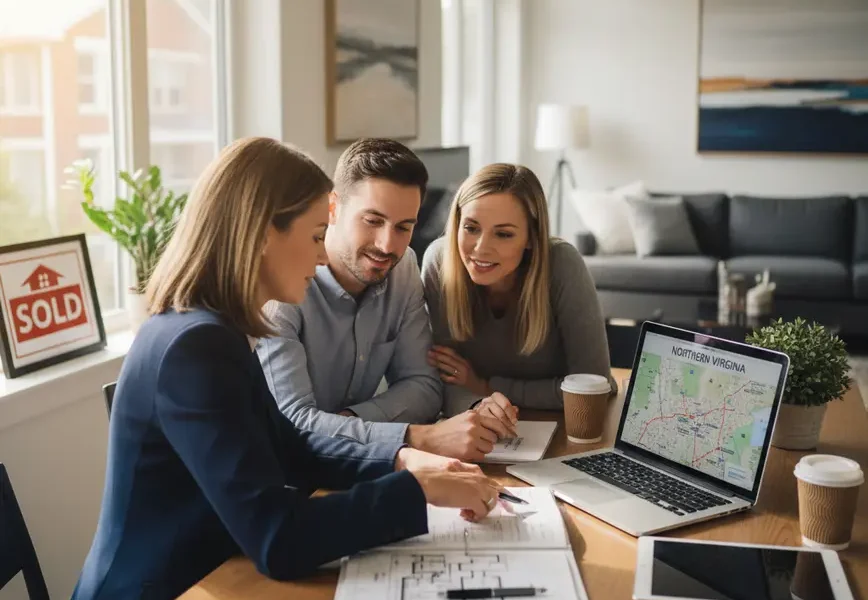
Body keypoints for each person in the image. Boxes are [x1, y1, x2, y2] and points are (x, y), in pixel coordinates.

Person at [72, 137, 503, 600]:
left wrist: (399, 458)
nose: (322, 256)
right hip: (170, 587)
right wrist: (414, 490)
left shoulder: (211, 329)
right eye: (317, 235)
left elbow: (290, 446)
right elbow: (278, 538)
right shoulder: (195, 347)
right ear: (261, 234)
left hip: (215, 572)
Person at [257, 139, 513, 462]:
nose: (387, 245)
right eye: (373, 221)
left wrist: (347, 421)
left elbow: (425, 387)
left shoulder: (403, 265)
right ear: (332, 208)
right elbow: (293, 424)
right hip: (289, 480)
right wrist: (413, 436)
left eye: (404, 227)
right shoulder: (285, 287)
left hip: (365, 469)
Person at [422, 163, 615, 423]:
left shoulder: (562, 264)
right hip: (489, 425)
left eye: (503, 234)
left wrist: (487, 387)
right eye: (471, 228)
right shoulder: (439, 261)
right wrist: (478, 404)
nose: (481, 248)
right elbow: (444, 376)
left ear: (532, 238)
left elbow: (596, 387)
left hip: (565, 425)